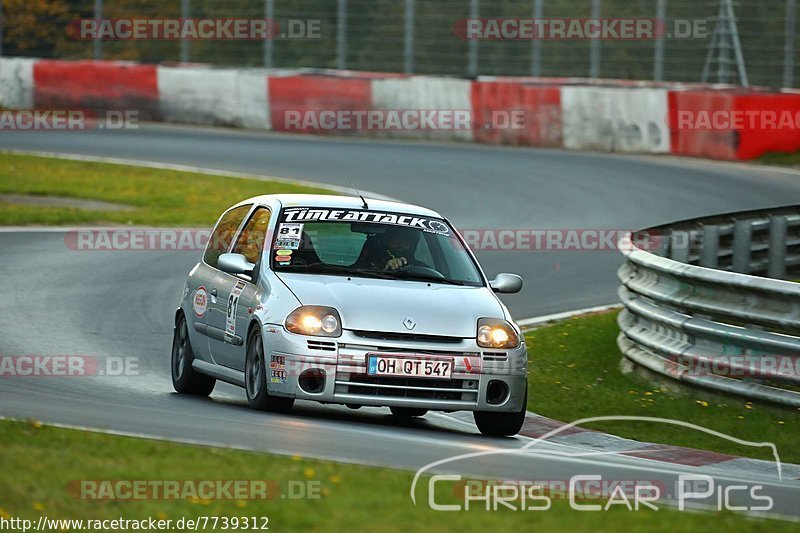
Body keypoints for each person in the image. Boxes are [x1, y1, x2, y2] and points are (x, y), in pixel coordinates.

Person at [355, 226, 421, 271]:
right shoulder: (369, 262)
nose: (400, 245)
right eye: (396, 240)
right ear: (386, 240)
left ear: (413, 245)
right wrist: (386, 270)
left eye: (406, 241)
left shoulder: (421, 270)